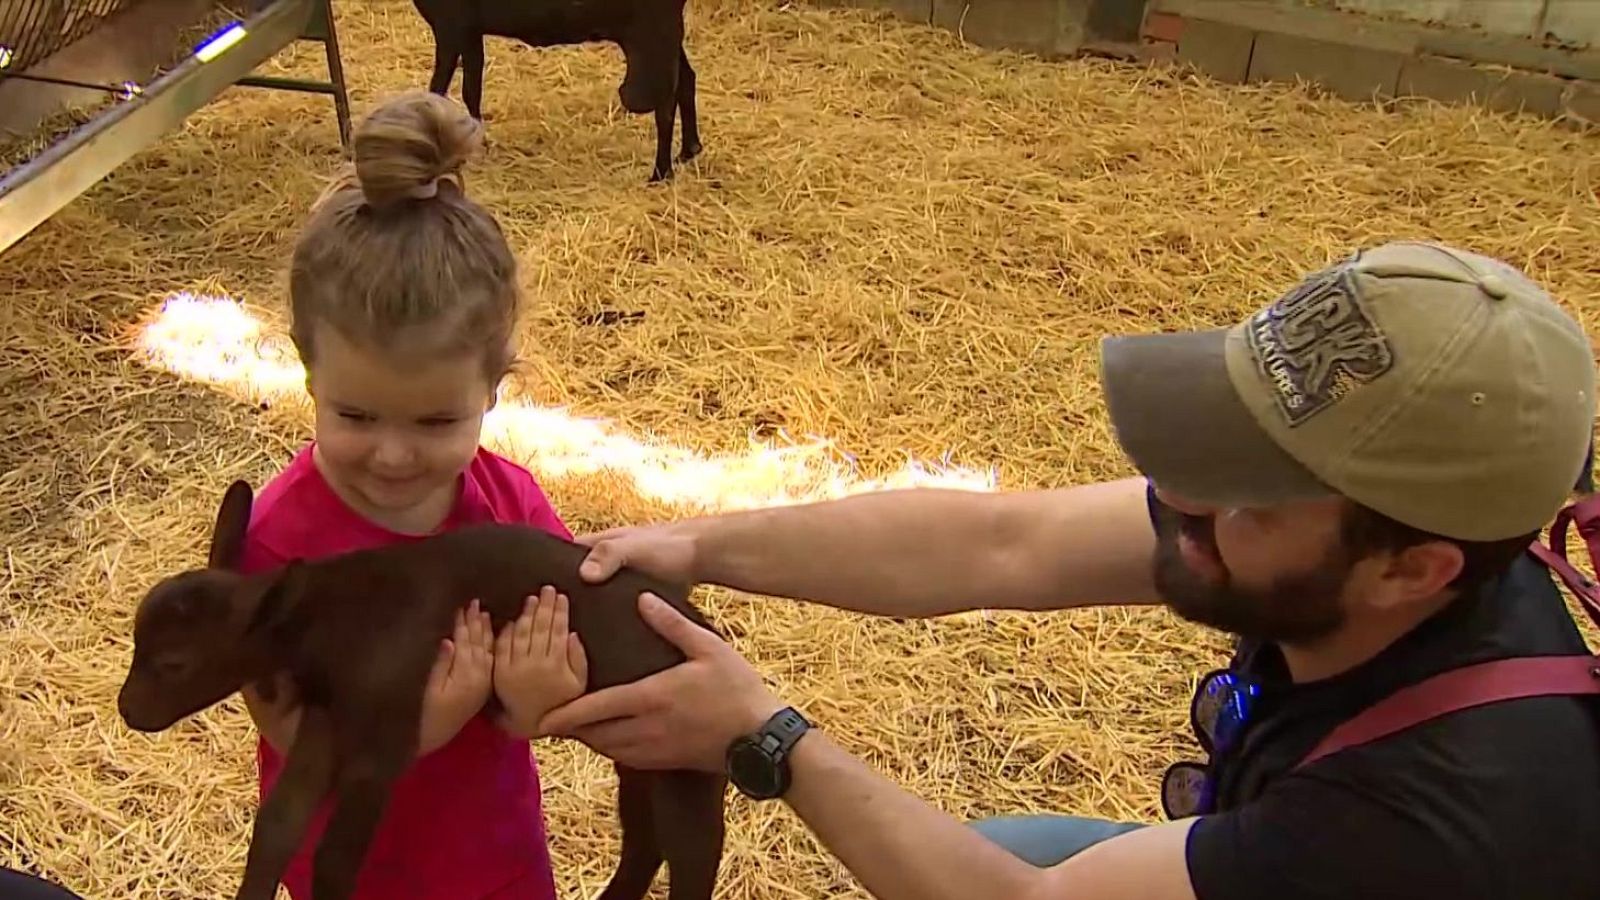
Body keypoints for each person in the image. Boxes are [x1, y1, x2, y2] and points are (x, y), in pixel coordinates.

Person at [538, 240, 1600, 899]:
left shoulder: (1428, 822)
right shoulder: (1407, 547)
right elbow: (1003, 544)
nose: (1181, 499)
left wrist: (768, 737)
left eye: (1245, 491)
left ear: (1408, 571)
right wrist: (697, 546)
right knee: (1003, 840)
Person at [237, 90, 588, 900]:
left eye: (436, 420)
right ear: (307, 372)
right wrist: (424, 724)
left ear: (494, 390)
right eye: (354, 415)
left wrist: (538, 701)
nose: (393, 456)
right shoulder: (276, 541)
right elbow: (284, 725)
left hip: (496, 858)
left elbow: (567, 657)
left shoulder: (514, 512)